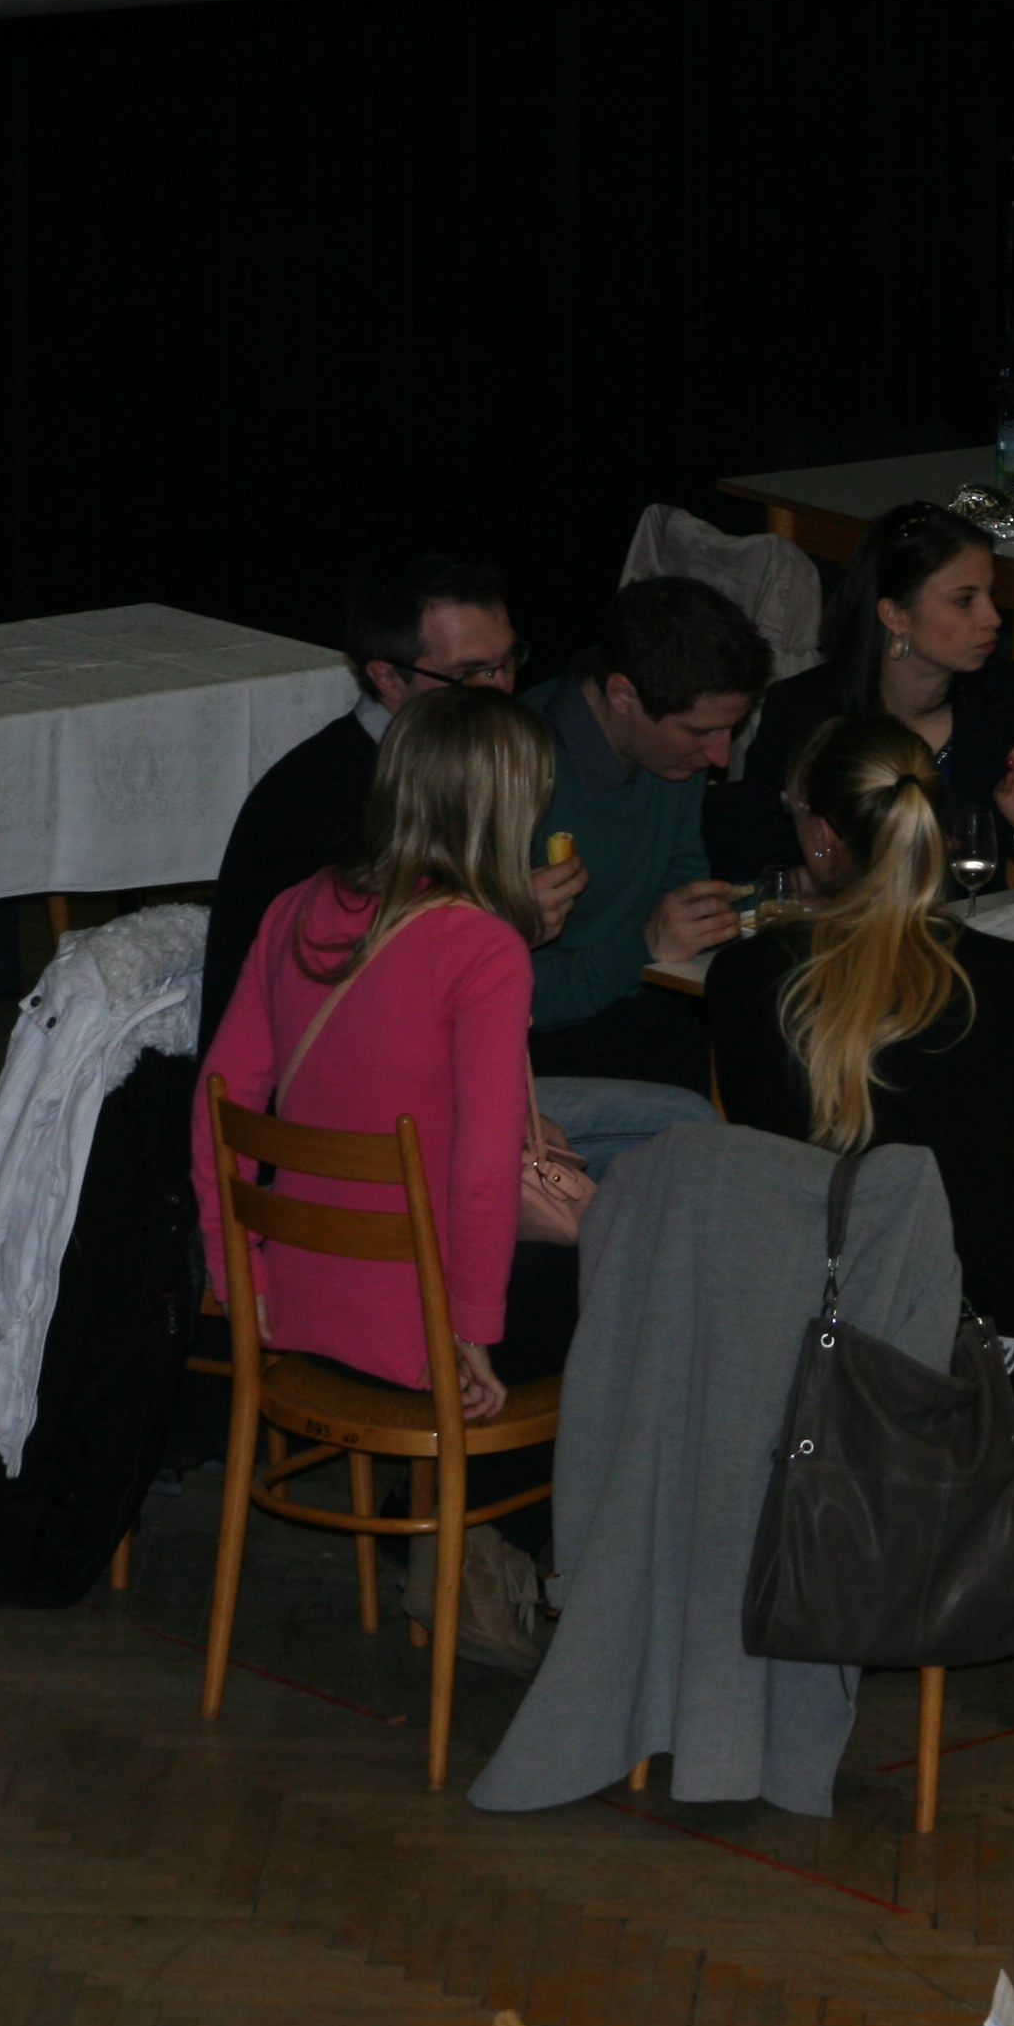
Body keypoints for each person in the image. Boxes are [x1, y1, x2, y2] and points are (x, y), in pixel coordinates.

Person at [199, 550, 709, 1176]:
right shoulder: (325, 805)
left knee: (662, 1051)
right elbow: (358, 1015)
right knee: (677, 1121)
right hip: (344, 1129)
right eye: (471, 673)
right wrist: (501, 927)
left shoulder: (459, 770)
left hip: (422, 1083)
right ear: (388, 678)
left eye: (508, 662)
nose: (501, 689)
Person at [196, 685, 581, 1418]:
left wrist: (236, 1271)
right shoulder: (485, 949)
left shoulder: (297, 906)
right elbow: (482, 1167)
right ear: (512, 808)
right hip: (422, 1332)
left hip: (292, 1306)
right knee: (636, 1280)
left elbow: (219, 1105)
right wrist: (471, 1329)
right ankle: (502, 1498)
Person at [703, 713, 1014, 1405]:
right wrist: (1009, 1225)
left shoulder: (746, 977)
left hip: (814, 1335)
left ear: (824, 834)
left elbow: (792, 1169)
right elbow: (956, 1150)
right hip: (989, 1338)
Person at [712, 500, 1014, 887]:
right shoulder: (803, 710)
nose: (992, 618)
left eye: (991, 594)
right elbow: (758, 868)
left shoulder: (1012, 697)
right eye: (964, 600)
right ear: (895, 615)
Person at [521, 574, 772, 1090]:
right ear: (622, 694)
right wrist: (642, 946)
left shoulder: (670, 757)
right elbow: (495, 994)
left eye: (732, 728)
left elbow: (681, 902)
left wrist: (782, 899)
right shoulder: (509, 768)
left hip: (642, 1013)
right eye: (700, 731)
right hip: (536, 1050)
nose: (720, 756)